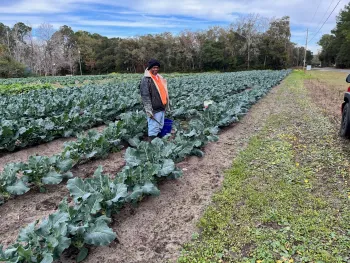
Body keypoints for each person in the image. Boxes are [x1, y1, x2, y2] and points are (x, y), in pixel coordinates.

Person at [140, 59, 170, 141]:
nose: (155, 69)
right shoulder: (146, 80)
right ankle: (152, 146)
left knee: (160, 126)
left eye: (157, 67)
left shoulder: (159, 77)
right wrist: (149, 110)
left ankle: (158, 144)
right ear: (149, 68)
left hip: (161, 107)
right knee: (153, 128)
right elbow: (145, 96)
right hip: (154, 109)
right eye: (153, 67)